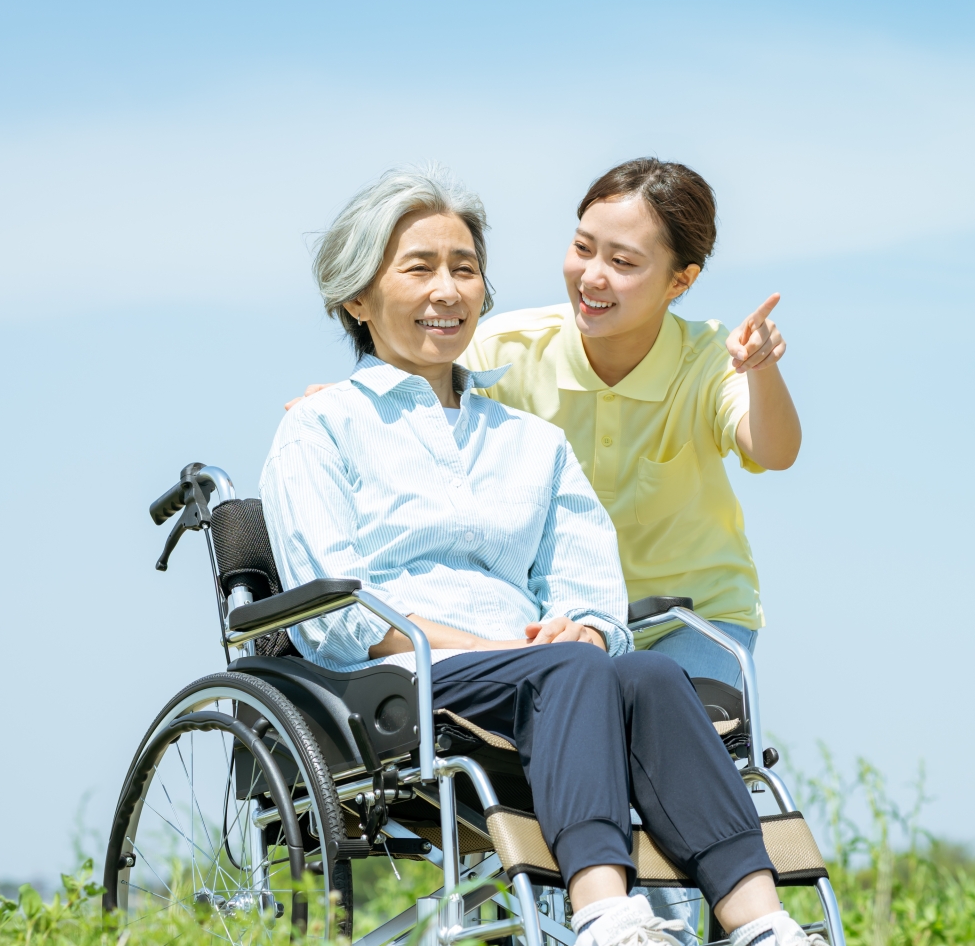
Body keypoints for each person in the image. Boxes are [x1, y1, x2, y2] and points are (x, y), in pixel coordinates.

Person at [261, 166, 912, 946]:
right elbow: (335, 612)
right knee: (572, 671)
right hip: (398, 677)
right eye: (419, 268)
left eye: (465, 268)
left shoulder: (530, 441)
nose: (448, 290)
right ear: (355, 297)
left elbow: (589, 581)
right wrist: (498, 645)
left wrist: (590, 624)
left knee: (647, 675)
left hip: (536, 674)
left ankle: (768, 944)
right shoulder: (321, 427)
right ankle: (607, 937)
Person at [294, 157, 797, 691]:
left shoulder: (710, 358)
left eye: (622, 262)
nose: (593, 276)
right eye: (583, 248)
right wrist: (346, 402)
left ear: (680, 280)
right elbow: (420, 377)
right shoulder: (507, 348)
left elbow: (774, 450)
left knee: (669, 707)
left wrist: (761, 370)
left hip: (689, 615)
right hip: (555, 616)